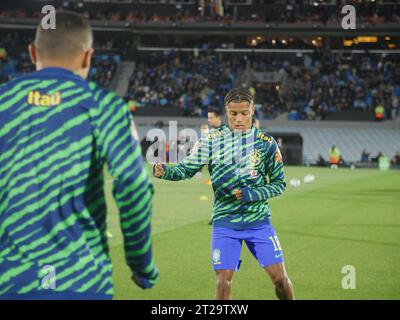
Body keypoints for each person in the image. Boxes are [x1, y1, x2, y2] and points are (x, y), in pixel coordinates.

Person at [0, 11, 158, 300]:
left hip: (10, 281)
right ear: (88, 57)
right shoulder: (105, 107)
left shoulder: (4, 101)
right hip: (82, 280)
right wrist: (141, 264)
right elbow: (133, 185)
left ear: (33, 52)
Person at [153, 87, 295, 300]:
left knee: (280, 279)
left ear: (252, 112)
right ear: (226, 112)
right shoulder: (211, 141)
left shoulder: (266, 144)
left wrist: (251, 194)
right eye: (233, 114)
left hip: (258, 222)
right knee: (223, 281)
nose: (239, 119)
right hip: (225, 222)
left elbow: (278, 184)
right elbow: (186, 169)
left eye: (244, 113)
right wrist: (166, 171)